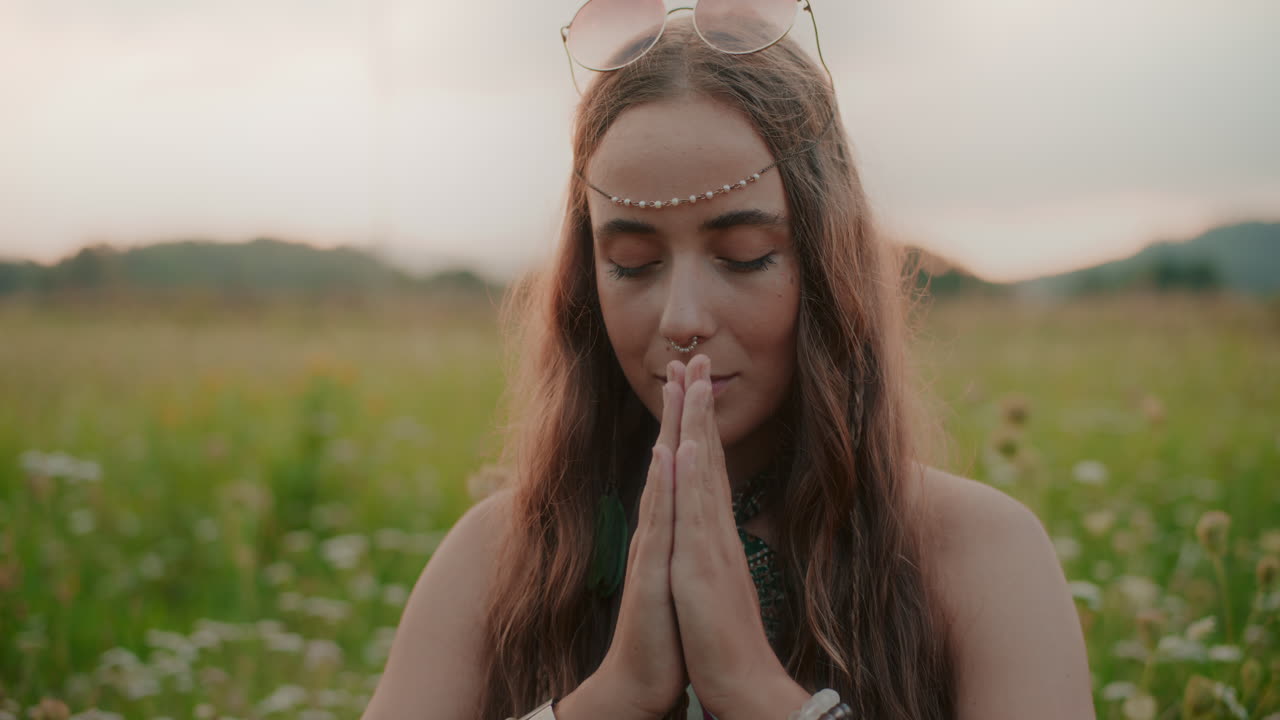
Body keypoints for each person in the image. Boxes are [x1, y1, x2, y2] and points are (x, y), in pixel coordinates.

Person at [363, 3, 1094, 719]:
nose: (683, 319)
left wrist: (755, 689)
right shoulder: (498, 560)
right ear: (587, 283)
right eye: (633, 263)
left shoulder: (982, 556)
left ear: (825, 267)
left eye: (744, 258)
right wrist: (612, 699)